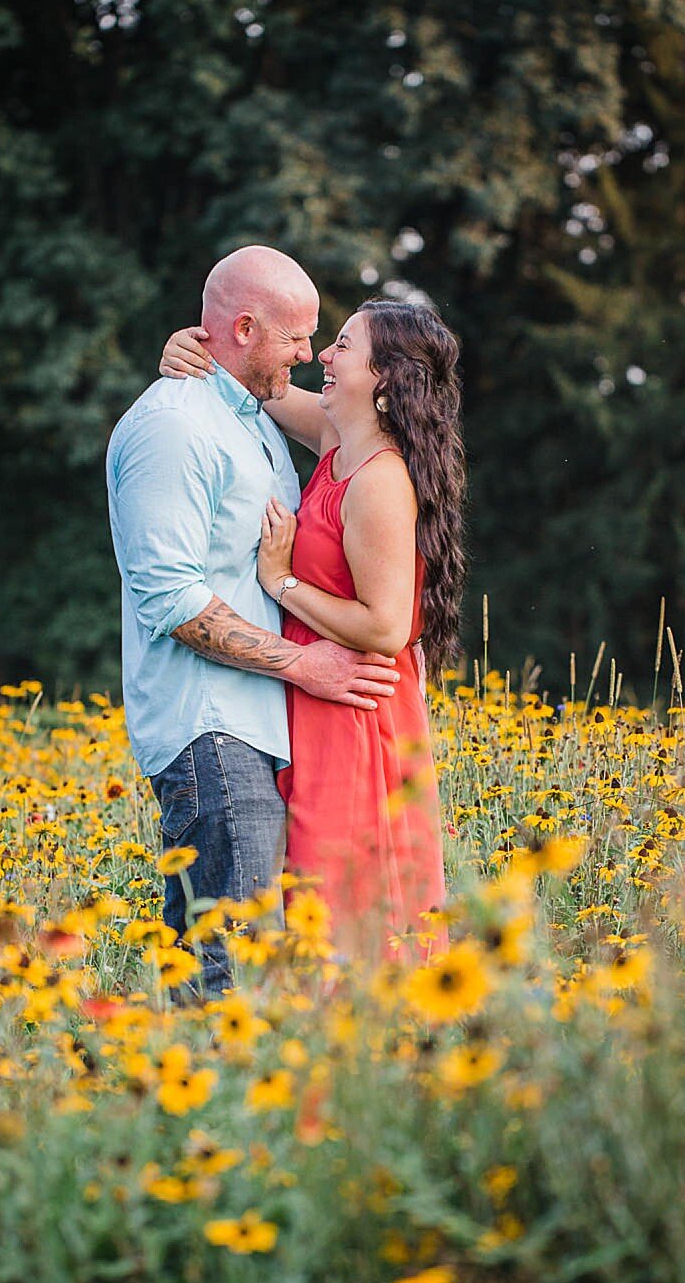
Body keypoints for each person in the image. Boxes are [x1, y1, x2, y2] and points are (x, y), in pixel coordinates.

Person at [106, 246, 401, 998]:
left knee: (244, 964)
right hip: (212, 730)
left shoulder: (251, 415)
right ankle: (210, 1111)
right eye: (297, 337)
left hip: (258, 725)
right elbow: (170, 599)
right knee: (228, 974)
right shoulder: (174, 427)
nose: (310, 353)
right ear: (242, 327)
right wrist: (305, 664)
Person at [160, 295, 466, 960]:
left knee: (344, 900)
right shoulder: (339, 441)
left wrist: (280, 584)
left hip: (356, 708)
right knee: (307, 899)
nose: (323, 355)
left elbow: (385, 628)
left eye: (344, 346)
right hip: (316, 692)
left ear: (383, 378)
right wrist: (196, 353)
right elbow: (260, 388)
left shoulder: (381, 479)